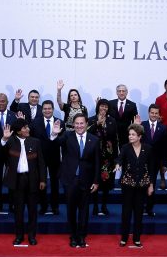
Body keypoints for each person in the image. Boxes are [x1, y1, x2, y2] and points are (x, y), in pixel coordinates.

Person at [50, 114, 100, 248]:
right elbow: (55, 144)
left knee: (84, 211)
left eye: (81, 123)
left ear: (86, 123)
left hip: (87, 180)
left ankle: (82, 236)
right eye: (76, 123)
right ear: (73, 125)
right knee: (71, 210)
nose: (79, 126)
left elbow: (97, 162)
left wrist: (96, 181)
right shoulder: (67, 136)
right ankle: (73, 236)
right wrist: (54, 134)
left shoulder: (94, 139)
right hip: (70, 180)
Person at [1, 118, 47, 246]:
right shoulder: (10, 141)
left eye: (27, 127)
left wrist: (43, 179)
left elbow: (41, 163)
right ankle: (19, 236)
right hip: (16, 181)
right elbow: (1, 155)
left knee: (32, 210)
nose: (28, 129)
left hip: (32, 179)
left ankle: (32, 236)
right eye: (25, 127)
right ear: (18, 131)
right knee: (18, 211)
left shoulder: (35, 142)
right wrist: (4, 140)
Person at [114, 124, 154, 247]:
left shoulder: (147, 148)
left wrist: (151, 185)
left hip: (142, 185)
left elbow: (152, 168)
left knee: (138, 213)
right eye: (129, 134)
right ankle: (124, 238)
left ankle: (137, 238)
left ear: (139, 136)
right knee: (126, 213)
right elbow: (119, 159)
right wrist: (118, 164)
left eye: (133, 135)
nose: (130, 136)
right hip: (127, 185)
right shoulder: (125, 147)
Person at [31, 100, 64, 215]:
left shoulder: (60, 122)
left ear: (53, 109)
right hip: (39, 158)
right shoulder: (35, 122)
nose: (47, 110)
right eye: (45, 108)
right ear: (42, 109)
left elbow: (62, 141)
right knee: (41, 182)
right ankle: (43, 206)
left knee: (55, 183)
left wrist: (55, 135)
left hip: (55, 157)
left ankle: (55, 206)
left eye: (49, 108)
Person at [88, 99, 118, 216]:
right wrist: (97, 124)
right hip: (94, 156)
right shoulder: (91, 119)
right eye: (102, 106)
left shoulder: (112, 121)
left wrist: (116, 158)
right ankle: (95, 205)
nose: (104, 109)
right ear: (98, 107)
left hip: (108, 157)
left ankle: (104, 205)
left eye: (106, 107)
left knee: (106, 183)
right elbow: (87, 133)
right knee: (94, 181)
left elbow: (115, 140)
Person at [138, 104, 167, 216]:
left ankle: (149, 208)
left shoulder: (163, 128)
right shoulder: (141, 125)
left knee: (152, 184)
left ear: (158, 114)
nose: (154, 115)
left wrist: (164, 163)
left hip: (155, 163)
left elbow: (165, 147)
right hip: (141, 161)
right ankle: (140, 207)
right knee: (140, 185)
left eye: (156, 113)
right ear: (149, 113)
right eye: (152, 113)